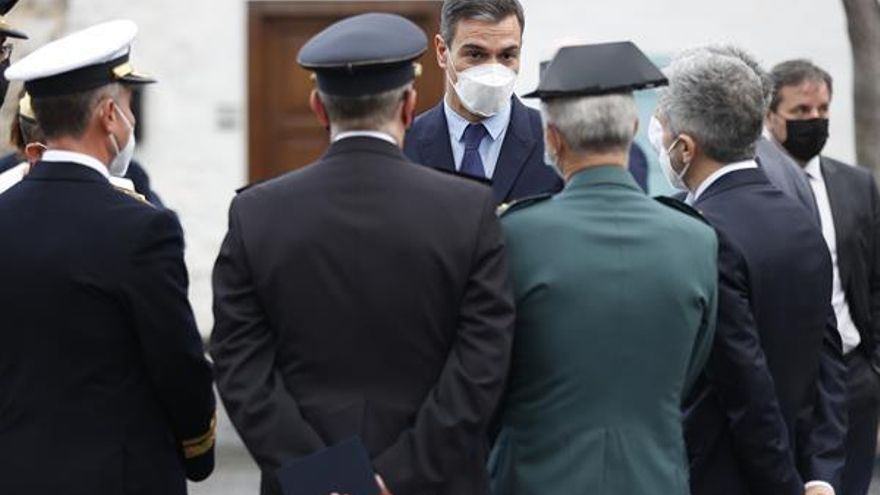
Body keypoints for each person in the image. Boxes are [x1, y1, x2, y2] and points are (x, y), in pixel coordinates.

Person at [210, 13, 515, 495]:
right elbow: (482, 361)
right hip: (435, 481)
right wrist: (396, 475)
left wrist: (324, 476)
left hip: (307, 484)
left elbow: (239, 365)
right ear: (410, 105)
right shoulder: (469, 209)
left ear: (317, 107)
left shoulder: (256, 213)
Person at [488, 42, 717, 495]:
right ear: (633, 128)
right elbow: (690, 368)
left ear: (553, 140)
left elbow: (493, 374)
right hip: (654, 479)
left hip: (537, 480)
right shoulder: (696, 238)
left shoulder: (515, 236)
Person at [0, 20, 216, 494]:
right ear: (108, 116)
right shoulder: (141, 228)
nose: (132, 121)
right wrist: (198, 449)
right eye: (128, 107)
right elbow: (178, 362)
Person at [653, 49, 846, 495]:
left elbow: (745, 386)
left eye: (662, 128)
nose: (658, 139)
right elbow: (827, 363)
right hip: (797, 467)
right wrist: (820, 475)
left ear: (685, 147)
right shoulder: (801, 217)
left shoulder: (700, 233)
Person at [765, 59, 880, 495]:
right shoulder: (761, 185)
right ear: (770, 116)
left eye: (822, 111)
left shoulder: (856, 184)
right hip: (790, 379)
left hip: (854, 376)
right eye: (800, 112)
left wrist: (874, 367)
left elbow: (874, 279)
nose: (814, 121)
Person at [403, 0, 562, 205]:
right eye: (476, 54)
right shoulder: (406, 143)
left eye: (507, 55)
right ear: (442, 52)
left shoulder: (554, 142)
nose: (493, 71)